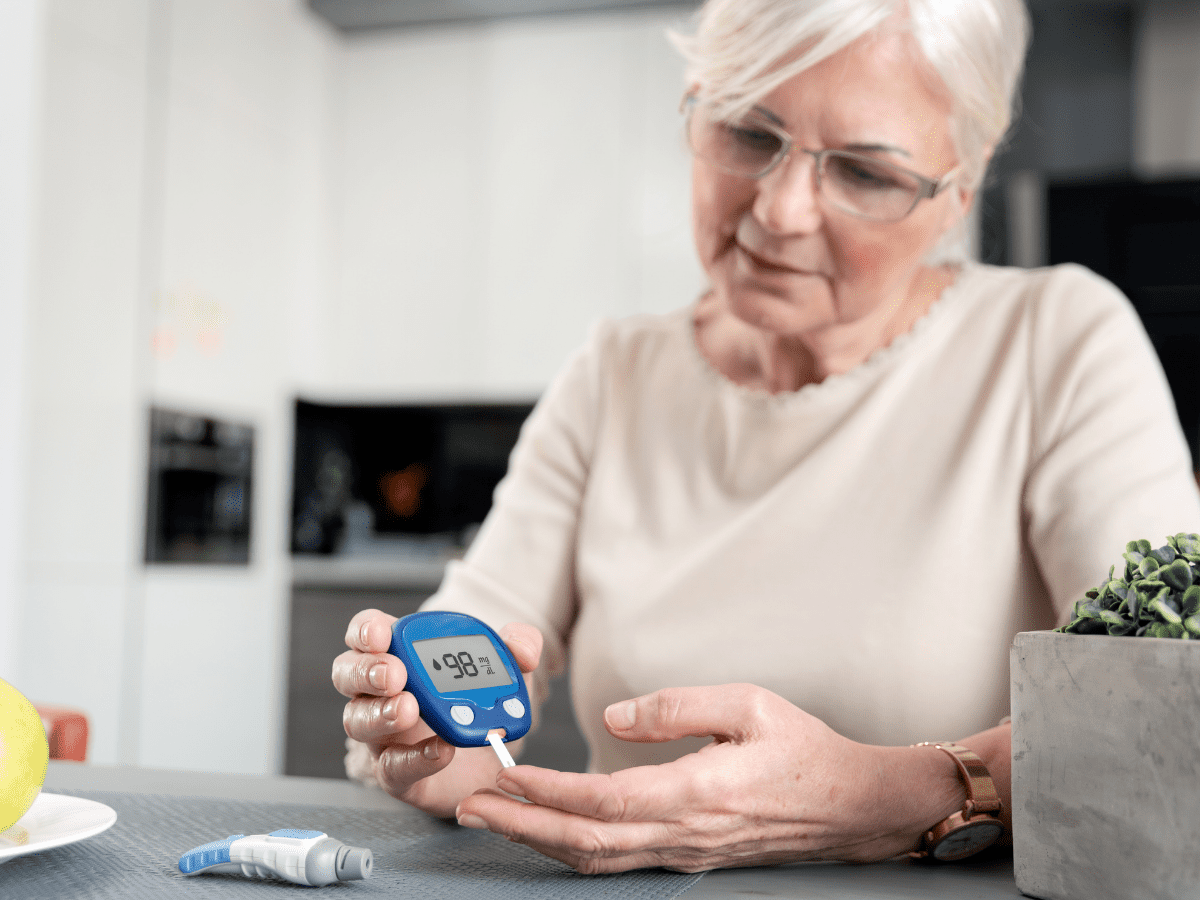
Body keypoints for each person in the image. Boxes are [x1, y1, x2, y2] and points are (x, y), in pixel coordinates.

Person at [332, 0, 1200, 874]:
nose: (780, 211)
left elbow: (1168, 716)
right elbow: (469, 666)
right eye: (749, 133)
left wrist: (879, 799)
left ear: (958, 193)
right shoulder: (614, 373)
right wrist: (416, 738)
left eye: (864, 171)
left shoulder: (1058, 341)